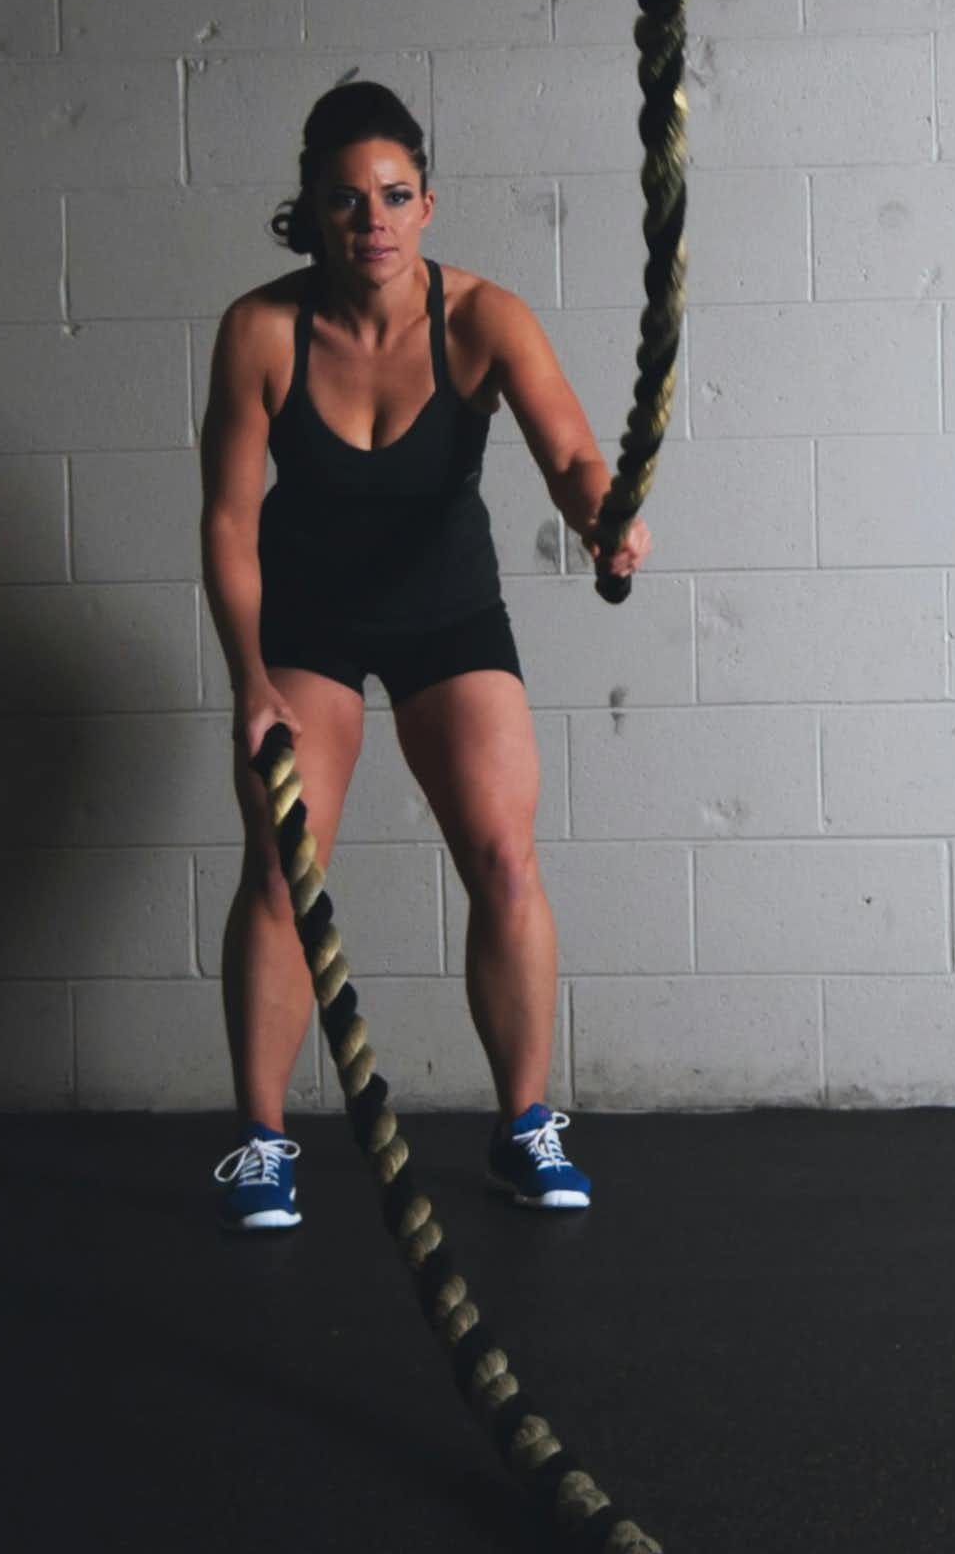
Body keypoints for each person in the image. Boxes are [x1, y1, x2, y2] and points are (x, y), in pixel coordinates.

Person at [197, 79, 649, 1233]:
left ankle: (525, 1123)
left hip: (448, 617)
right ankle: (260, 1139)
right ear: (312, 207)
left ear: (429, 204)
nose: (373, 220)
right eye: (347, 200)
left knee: (505, 855)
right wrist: (249, 680)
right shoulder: (260, 330)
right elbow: (230, 522)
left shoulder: (484, 317)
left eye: (395, 195)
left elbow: (571, 457)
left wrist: (606, 514)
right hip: (307, 626)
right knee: (282, 867)